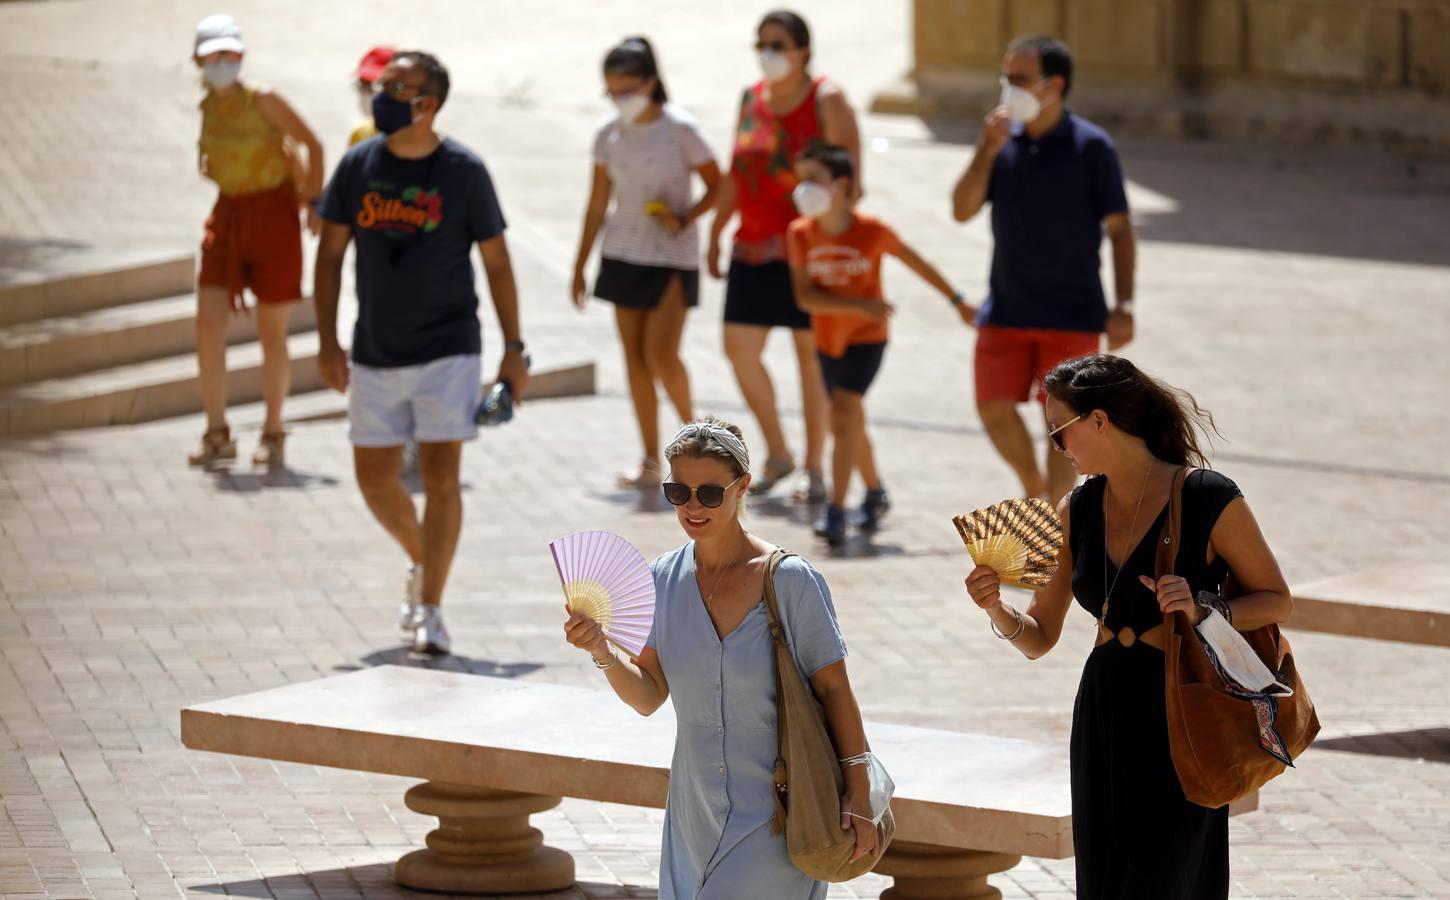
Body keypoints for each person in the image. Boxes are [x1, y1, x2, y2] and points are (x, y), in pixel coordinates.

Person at [964, 354, 1293, 899]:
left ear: (1099, 420)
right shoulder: (1078, 507)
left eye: (1059, 432)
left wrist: (1207, 608)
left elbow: (1278, 600)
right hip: (1105, 706)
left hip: (1183, 704)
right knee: (1105, 878)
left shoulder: (1208, 496)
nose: (1056, 448)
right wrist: (997, 610)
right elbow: (1040, 637)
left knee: (1167, 877)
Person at [563, 417, 877, 898]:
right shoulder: (661, 579)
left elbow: (836, 689)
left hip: (779, 815)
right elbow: (648, 696)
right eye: (678, 492)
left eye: (709, 493)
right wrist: (601, 650)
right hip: (692, 816)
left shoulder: (791, 581)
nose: (692, 506)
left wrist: (860, 792)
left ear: (742, 486)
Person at [314, 50, 530, 655]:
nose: (380, 94)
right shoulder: (358, 165)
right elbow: (329, 255)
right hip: (374, 349)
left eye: (395, 86)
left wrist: (514, 351)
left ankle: (430, 605)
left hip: (448, 346)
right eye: (380, 84)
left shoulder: (464, 170)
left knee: (441, 476)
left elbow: (498, 262)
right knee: (375, 479)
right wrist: (326, 339)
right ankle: (422, 558)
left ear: (427, 103)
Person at [950, 35, 1137, 504]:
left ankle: (1056, 519)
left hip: (1072, 314)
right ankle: (1034, 494)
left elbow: (1120, 229)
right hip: (1006, 306)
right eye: (1005, 77)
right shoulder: (1001, 142)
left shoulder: (1092, 147)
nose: (1008, 88)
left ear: (1055, 84)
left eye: (1020, 79)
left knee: (1064, 424)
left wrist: (1125, 304)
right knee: (992, 407)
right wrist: (985, 149)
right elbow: (961, 208)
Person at [707, 9, 862, 504]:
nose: (768, 52)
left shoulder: (827, 98)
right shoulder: (750, 98)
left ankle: (815, 467)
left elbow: (850, 179)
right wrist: (715, 228)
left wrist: (835, 242)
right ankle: (779, 451)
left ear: (803, 51)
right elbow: (736, 169)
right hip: (752, 243)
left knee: (809, 359)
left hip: (805, 247)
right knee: (739, 348)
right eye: (762, 43)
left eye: (778, 44)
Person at [786, 144, 975, 545]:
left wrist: (958, 301)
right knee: (849, 419)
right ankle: (874, 492)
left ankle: (835, 510)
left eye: (813, 180)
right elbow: (805, 299)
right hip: (828, 340)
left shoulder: (872, 231)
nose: (803, 189)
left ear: (841, 185)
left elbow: (916, 261)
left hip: (866, 340)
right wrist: (858, 303)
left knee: (842, 411)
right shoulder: (800, 233)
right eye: (800, 179)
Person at [572, 37, 721, 487]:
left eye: (628, 88)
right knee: (634, 360)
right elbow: (597, 202)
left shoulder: (681, 129)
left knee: (662, 355)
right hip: (622, 254)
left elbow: (719, 184)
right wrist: (580, 263)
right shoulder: (608, 135)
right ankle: (649, 460)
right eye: (612, 91)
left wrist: (686, 217)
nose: (621, 98)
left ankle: (704, 449)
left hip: (671, 256)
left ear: (650, 82)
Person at [189, 14, 323, 469]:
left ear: (241, 56)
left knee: (272, 332)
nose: (222, 62)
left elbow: (313, 143)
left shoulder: (263, 100)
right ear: (197, 60)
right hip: (228, 216)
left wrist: (316, 202)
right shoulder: (207, 106)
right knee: (207, 325)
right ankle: (216, 432)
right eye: (213, 55)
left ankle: (273, 430)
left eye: (230, 54)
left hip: (273, 218)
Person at [348, 45, 395, 147]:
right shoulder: (359, 134)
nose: (366, 95)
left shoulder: (418, 136)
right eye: (362, 86)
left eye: (375, 86)